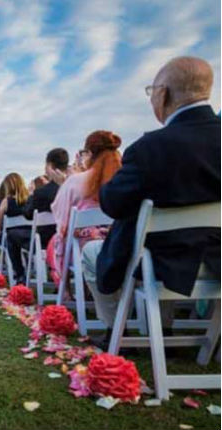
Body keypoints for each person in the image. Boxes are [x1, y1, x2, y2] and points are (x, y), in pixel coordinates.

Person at [82, 56, 220, 347]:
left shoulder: (152, 147)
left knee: (95, 251)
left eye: (151, 92)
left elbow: (113, 204)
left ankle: (115, 331)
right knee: (166, 245)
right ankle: (177, 332)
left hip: (165, 265)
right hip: (217, 261)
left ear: (163, 94)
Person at [46, 131, 122, 286]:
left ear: (89, 153)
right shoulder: (124, 178)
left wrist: (64, 184)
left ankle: (65, 289)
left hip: (82, 249)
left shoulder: (75, 181)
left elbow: (60, 218)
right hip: (120, 242)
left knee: (56, 241)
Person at [23, 148, 69, 248]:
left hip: (47, 243)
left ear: (49, 166)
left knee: (14, 237)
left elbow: (28, 215)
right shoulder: (77, 186)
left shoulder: (41, 192)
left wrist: (31, 195)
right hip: (73, 242)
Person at [0, 173, 31, 281]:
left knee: (9, 238)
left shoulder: (6, 201)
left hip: (13, 238)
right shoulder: (30, 199)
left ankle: (19, 272)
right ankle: (22, 271)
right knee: (11, 238)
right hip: (31, 238)